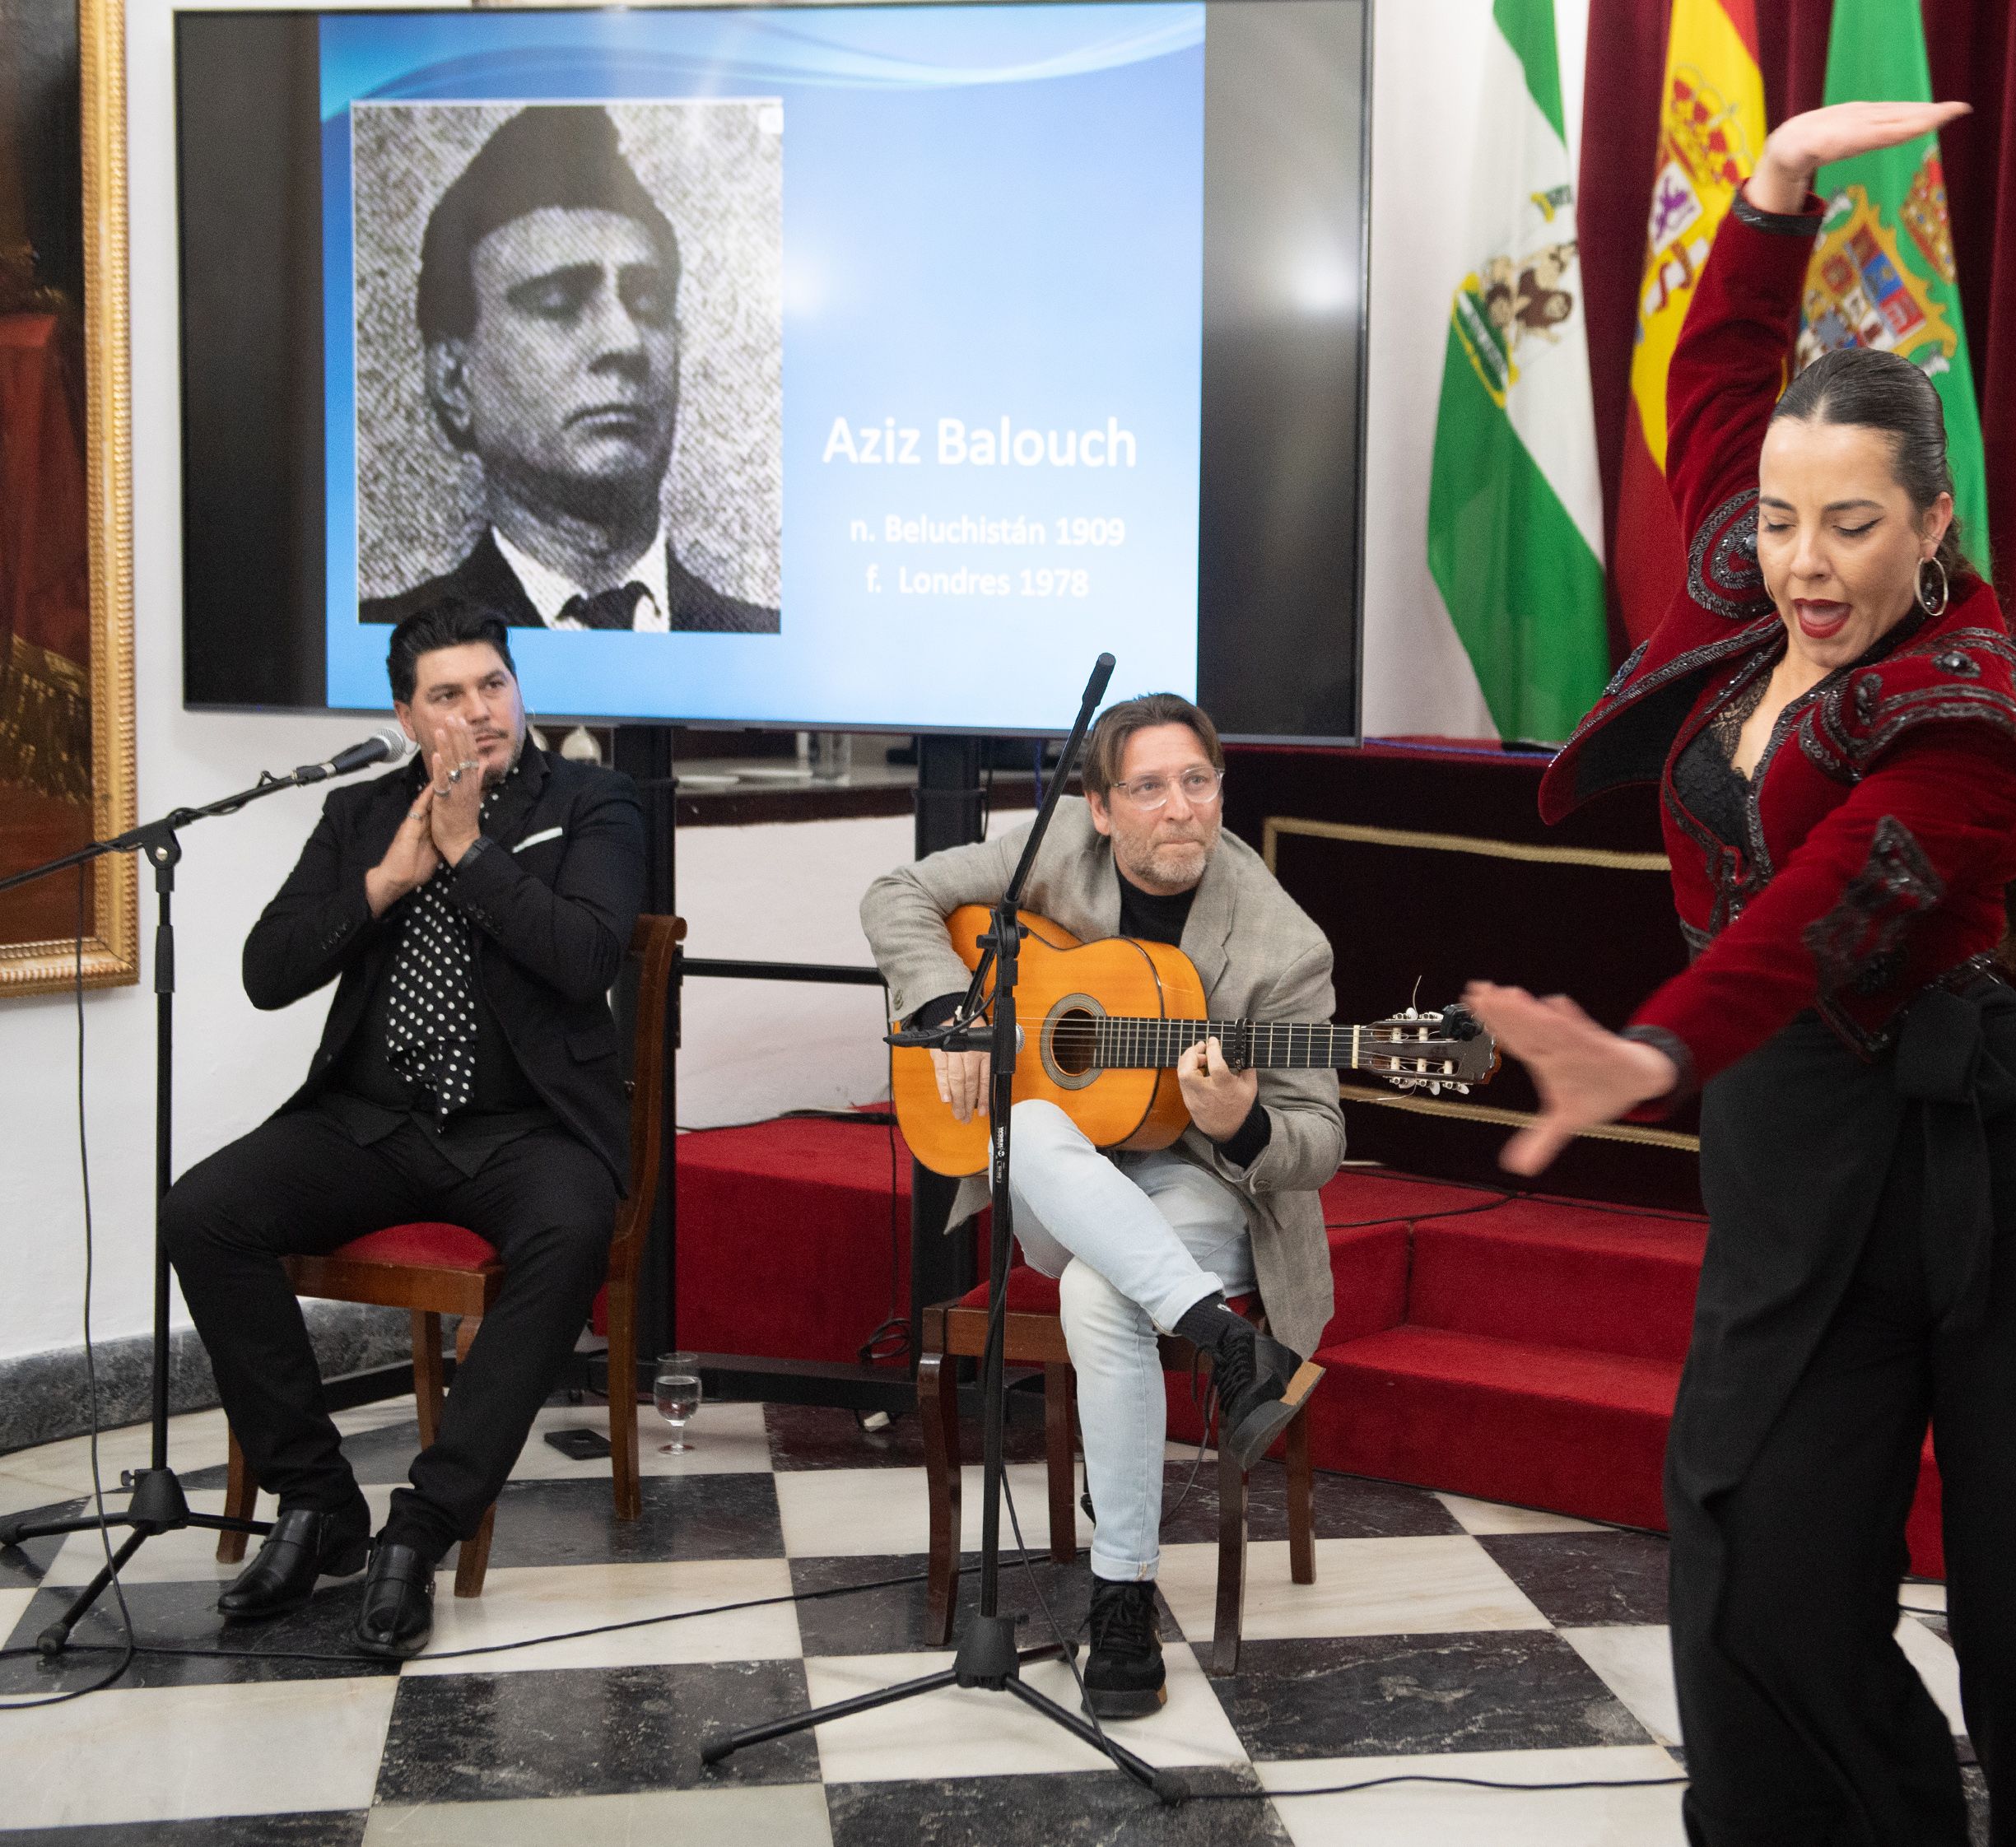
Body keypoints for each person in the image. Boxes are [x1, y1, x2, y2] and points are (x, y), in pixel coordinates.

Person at [1464, 103, 2016, 1845]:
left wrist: (1646, 1059)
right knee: (1751, 1580)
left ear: (1931, 524)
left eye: (1852, 528)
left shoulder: (1967, 706)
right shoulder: (1756, 569)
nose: (1805, 563)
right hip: (1797, 1153)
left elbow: (1809, 915)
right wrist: (1775, 182)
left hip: (1991, 1167)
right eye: (1785, 518)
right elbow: (1722, 373)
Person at [165, 598, 646, 1657]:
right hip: (373, 1123)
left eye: (494, 685)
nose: (479, 712)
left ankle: (419, 1530)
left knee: (569, 1235)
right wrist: (387, 880)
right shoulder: (362, 814)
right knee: (202, 1211)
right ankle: (317, 1500)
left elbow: (585, 960)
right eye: (448, 695)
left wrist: (472, 853)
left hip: (528, 1131)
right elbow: (267, 971)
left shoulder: (596, 803)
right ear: (406, 714)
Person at [862, 693, 1342, 1718]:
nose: (1180, 810)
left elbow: (1321, 1142)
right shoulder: (1054, 853)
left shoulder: (1282, 943)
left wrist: (1245, 1120)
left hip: (1200, 1186)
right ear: (1099, 807)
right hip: (1057, 1178)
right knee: (1032, 1127)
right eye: (1150, 787)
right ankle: (1224, 1341)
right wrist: (953, 1016)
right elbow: (897, 895)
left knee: (1098, 1297)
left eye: (1199, 782)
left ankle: (1122, 1596)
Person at [361, 105, 776, 634]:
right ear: (454, 381)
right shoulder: (389, 644)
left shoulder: (763, 644)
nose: (625, 342)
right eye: (558, 304)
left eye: (647, 305)